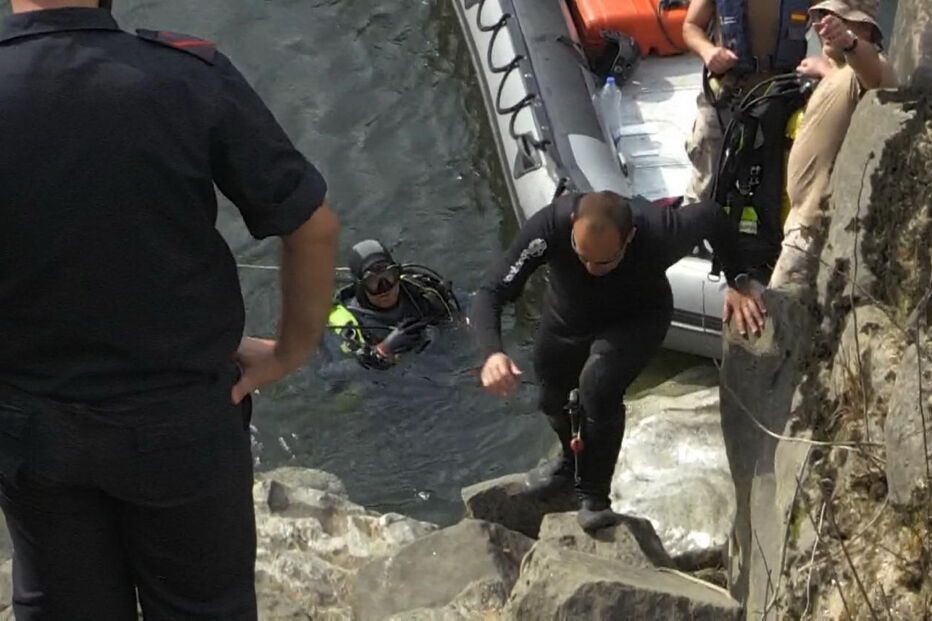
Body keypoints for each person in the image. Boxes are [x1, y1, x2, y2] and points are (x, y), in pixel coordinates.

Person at [0, 2, 339, 619]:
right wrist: (289, 352)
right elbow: (312, 226)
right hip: (179, 418)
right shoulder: (185, 73)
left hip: (28, 421)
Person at [470, 191, 765, 531]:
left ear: (630, 237)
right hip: (568, 319)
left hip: (636, 319)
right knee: (551, 392)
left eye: (605, 262)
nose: (592, 270)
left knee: (597, 387)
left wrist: (738, 280)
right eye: (582, 257)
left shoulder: (659, 230)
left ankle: (594, 496)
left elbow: (712, 216)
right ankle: (569, 464)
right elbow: (491, 291)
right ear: (572, 228)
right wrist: (492, 353)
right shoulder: (550, 226)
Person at [770, 0, 897, 287]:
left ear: (865, 29)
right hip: (801, 221)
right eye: (823, 17)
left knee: (781, 307)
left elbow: (875, 75)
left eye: (839, 20)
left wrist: (850, 43)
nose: (825, 26)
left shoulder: (868, 66)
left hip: (815, 229)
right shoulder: (838, 71)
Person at [682, 0, 812, 203]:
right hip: (727, 94)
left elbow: (833, 20)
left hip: (781, 98)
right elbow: (691, 26)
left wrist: (825, 61)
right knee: (706, 181)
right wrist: (708, 51)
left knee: (783, 185)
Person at [329, 239, 461, 370]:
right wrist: (383, 349)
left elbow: (462, 315)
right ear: (360, 286)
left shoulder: (418, 292)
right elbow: (334, 370)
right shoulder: (347, 323)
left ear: (397, 274)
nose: (385, 288)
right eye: (373, 282)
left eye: (389, 277)